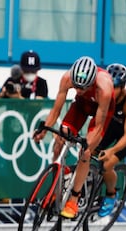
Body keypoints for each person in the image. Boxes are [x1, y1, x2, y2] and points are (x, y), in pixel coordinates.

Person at [33, 56, 115, 219]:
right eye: (76, 87)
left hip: (101, 112)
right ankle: (57, 189)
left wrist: (88, 144)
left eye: (82, 88)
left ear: (92, 83)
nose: (78, 90)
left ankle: (74, 200)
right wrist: (44, 129)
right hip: (81, 106)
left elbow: (98, 125)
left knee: (85, 152)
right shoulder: (66, 78)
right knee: (60, 136)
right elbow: (56, 110)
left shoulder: (104, 88)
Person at [95, 63, 126, 217]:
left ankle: (110, 194)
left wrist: (111, 150)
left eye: (114, 88)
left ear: (122, 87)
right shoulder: (105, 93)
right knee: (88, 151)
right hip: (113, 125)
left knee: (106, 164)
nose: (111, 91)